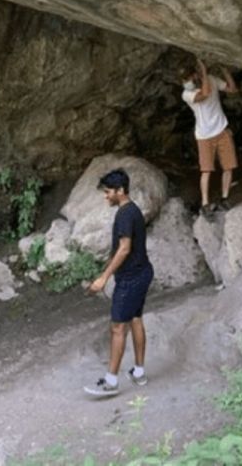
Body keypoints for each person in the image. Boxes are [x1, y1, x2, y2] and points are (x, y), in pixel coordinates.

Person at [84, 168, 154, 398]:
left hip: (131, 278)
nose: (106, 196)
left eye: (108, 192)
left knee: (117, 327)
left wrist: (104, 278)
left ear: (120, 191)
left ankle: (111, 382)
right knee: (135, 320)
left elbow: (124, 249)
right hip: (143, 272)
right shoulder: (133, 210)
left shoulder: (124, 215)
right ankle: (139, 373)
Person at [179, 57, 239, 215]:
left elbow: (232, 89)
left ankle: (225, 198)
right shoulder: (186, 94)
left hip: (221, 129)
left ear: (195, 75)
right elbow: (204, 94)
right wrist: (204, 72)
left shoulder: (212, 80)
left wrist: (225, 71)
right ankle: (205, 204)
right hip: (204, 136)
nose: (187, 81)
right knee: (206, 170)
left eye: (188, 77)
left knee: (228, 166)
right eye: (184, 79)